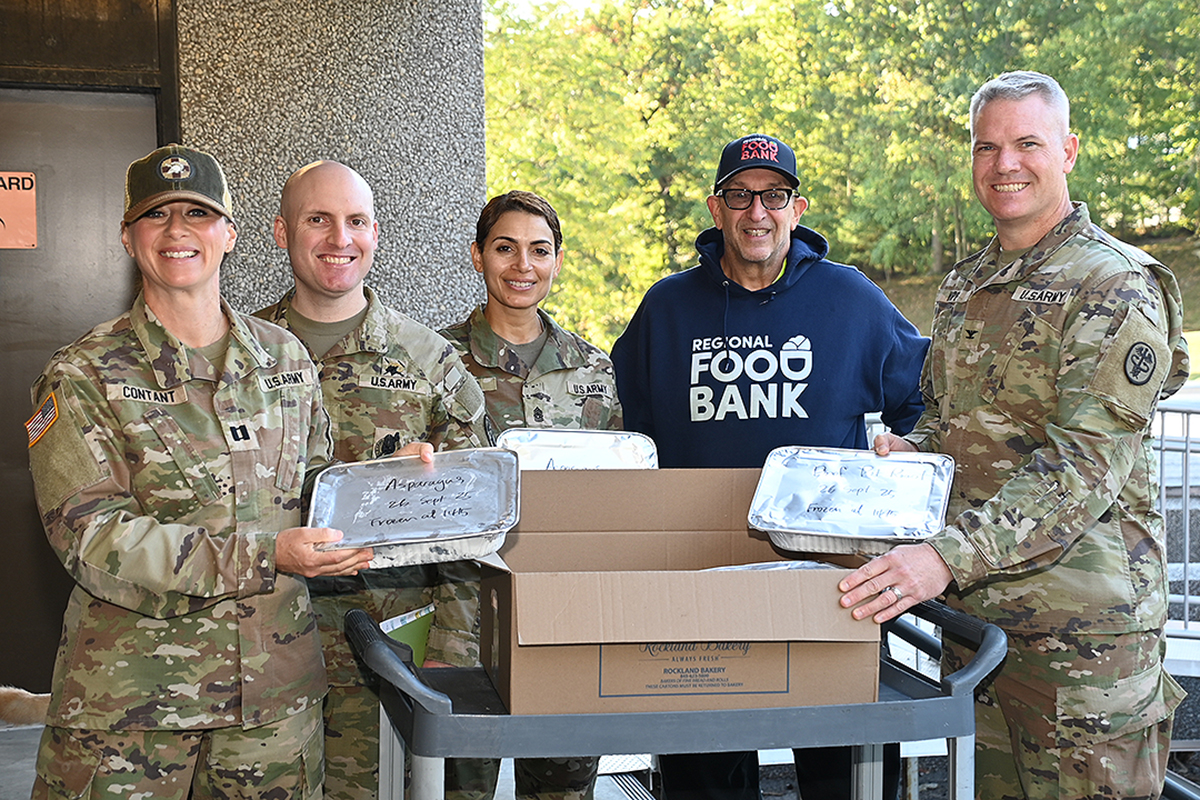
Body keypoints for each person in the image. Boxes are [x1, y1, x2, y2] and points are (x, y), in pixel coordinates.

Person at [837, 71, 1189, 800]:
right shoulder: (968, 283)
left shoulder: (1114, 284)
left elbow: (1083, 467)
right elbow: (951, 416)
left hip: (1083, 642)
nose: (1005, 164)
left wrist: (942, 557)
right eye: (986, 146)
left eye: (1027, 143)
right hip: (979, 627)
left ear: (1068, 150)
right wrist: (917, 451)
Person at [26, 144, 372, 799]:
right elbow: (93, 538)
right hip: (133, 714)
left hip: (273, 710)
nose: (179, 231)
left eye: (198, 214)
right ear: (129, 237)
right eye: (158, 216)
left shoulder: (284, 359)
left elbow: (319, 486)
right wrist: (269, 555)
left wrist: (398, 488)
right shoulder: (83, 375)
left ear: (230, 235)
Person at [611, 134, 927, 800]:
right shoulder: (665, 311)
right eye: (740, 196)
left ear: (797, 206)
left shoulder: (852, 301)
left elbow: (925, 398)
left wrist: (910, 451)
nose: (757, 212)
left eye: (774, 196)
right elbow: (622, 437)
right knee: (704, 781)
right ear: (716, 208)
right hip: (698, 586)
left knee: (846, 778)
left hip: (832, 585)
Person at [255, 160, 488, 800]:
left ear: (376, 233)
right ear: (281, 232)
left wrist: (453, 645)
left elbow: (474, 530)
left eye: (356, 221)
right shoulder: (243, 358)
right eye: (318, 220)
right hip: (265, 646)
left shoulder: (429, 362)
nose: (340, 238)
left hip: (388, 648)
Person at [440, 190, 622, 800]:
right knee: (460, 782)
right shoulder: (436, 363)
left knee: (563, 786)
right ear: (477, 257)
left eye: (539, 250)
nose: (523, 265)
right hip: (462, 608)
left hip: (565, 610)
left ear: (558, 260)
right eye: (505, 248)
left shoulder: (592, 369)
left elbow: (615, 496)